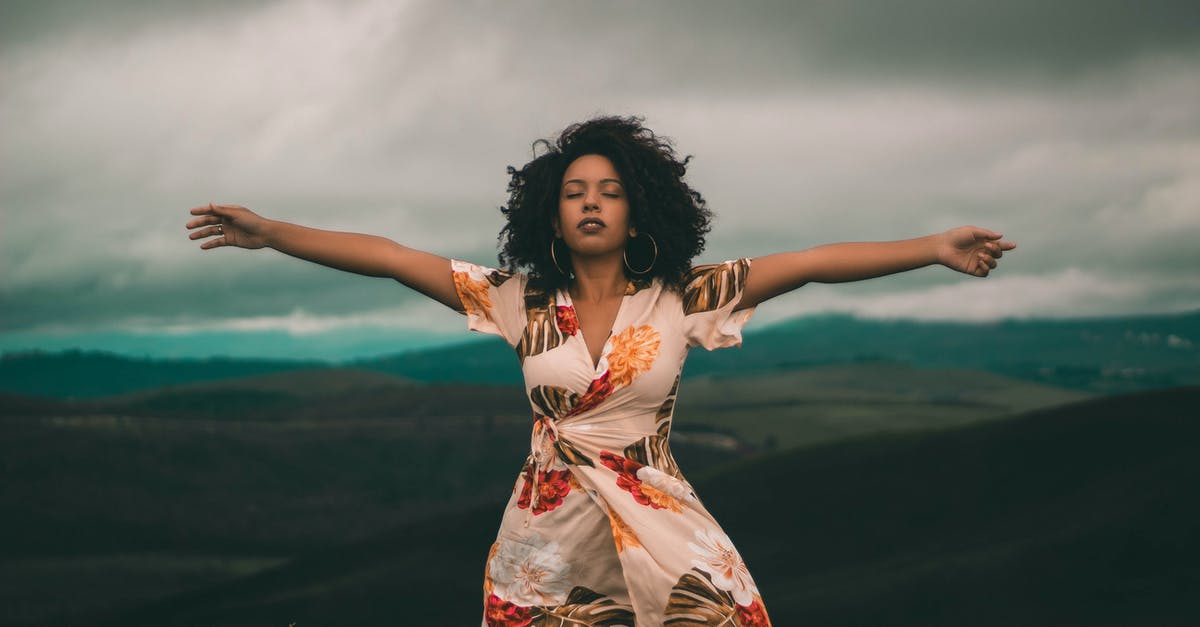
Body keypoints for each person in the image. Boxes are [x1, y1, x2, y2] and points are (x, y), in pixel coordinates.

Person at [185, 114, 1016, 625]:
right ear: (551, 208)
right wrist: (275, 230)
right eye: (575, 189)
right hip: (547, 529)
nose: (590, 201)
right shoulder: (519, 299)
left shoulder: (687, 296)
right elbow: (393, 257)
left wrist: (933, 249)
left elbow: (813, 261)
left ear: (637, 208)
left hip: (657, 513)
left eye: (610, 190)